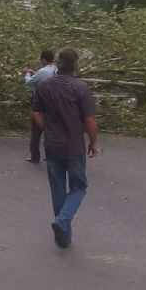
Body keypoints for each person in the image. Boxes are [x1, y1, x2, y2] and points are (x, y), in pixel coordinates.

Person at [30, 47, 98, 249]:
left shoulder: (44, 85)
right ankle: (62, 222)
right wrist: (93, 143)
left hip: (52, 146)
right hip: (74, 146)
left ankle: (64, 236)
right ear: (76, 65)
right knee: (78, 187)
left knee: (58, 189)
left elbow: (35, 112)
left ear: (57, 63)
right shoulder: (80, 88)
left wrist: (48, 129)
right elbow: (90, 120)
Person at [22, 49, 57, 163]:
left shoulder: (43, 71)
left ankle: (35, 156)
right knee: (50, 127)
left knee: (36, 129)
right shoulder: (56, 69)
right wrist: (35, 73)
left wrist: (27, 74)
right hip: (53, 102)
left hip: (39, 101)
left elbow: (29, 82)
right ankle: (50, 154)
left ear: (43, 59)